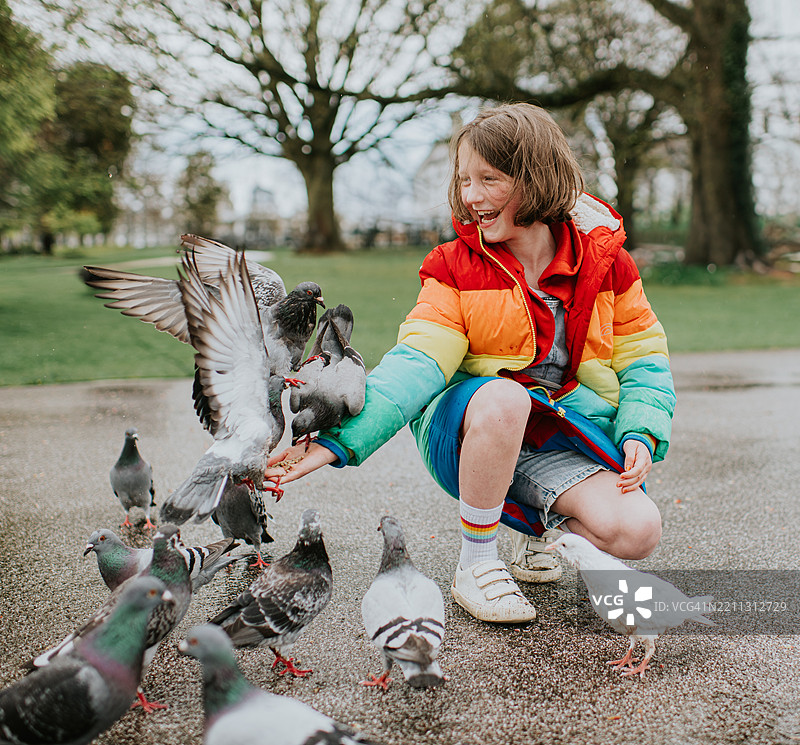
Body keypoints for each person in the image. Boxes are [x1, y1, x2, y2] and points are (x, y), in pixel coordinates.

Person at [266, 103, 676, 625]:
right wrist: (336, 442)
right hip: (469, 429)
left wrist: (641, 429)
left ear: (538, 178)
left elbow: (644, 356)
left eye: (489, 179)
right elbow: (414, 364)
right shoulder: (453, 266)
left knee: (638, 530)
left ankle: (538, 533)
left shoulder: (608, 263)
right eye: (464, 180)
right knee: (506, 397)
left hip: (560, 434)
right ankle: (477, 563)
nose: (471, 196)